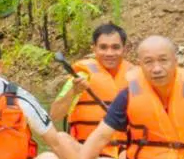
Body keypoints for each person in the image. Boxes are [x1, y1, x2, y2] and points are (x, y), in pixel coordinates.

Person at [50, 22, 137, 151]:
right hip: (85, 150)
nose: (109, 53)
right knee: (61, 138)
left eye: (115, 47)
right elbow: (54, 116)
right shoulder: (81, 76)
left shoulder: (136, 79)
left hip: (124, 153)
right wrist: (74, 91)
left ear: (124, 49)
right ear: (94, 49)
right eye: (103, 47)